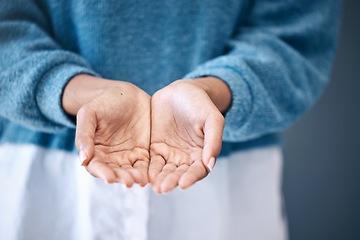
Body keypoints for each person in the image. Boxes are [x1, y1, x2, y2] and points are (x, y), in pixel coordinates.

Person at [0, 0, 342, 239]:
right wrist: (81, 93)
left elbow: (294, 36)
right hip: (42, 175)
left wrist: (211, 91)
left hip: (222, 177)